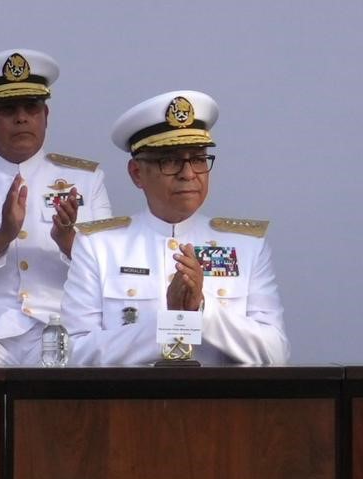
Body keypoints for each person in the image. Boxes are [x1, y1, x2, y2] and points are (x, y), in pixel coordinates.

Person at [70, 92, 289, 366]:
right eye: (171, 160)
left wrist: (202, 310)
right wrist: (170, 326)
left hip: (222, 404)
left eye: (198, 158)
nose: (188, 173)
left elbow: (276, 352)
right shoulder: (99, 246)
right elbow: (72, 353)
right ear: (137, 173)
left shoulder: (246, 247)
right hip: (129, 404)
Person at [0, 48, 111, 365]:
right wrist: (0, 238)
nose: (22, 117)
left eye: (32, 107)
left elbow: (109, 275)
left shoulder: (87, 179)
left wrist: (69, 243)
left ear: (46, 116)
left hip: (57, 328)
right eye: (8, 109)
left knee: (62, 390)